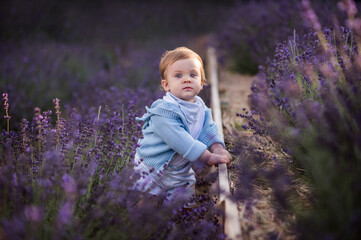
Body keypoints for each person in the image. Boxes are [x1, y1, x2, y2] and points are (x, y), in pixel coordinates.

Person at [133, 46, 231, 206]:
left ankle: (180, 223)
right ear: (166, 85)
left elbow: (209, 128)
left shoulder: (200, 107)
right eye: (178, 76)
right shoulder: (163, 113)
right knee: (147, 203)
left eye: (193, 75)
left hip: (179, 171)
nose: (187, 79)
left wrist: (217, 147)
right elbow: (181, 140)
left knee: (185, 202)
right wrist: (208, 157)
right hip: (153, 169)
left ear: (201, 83)